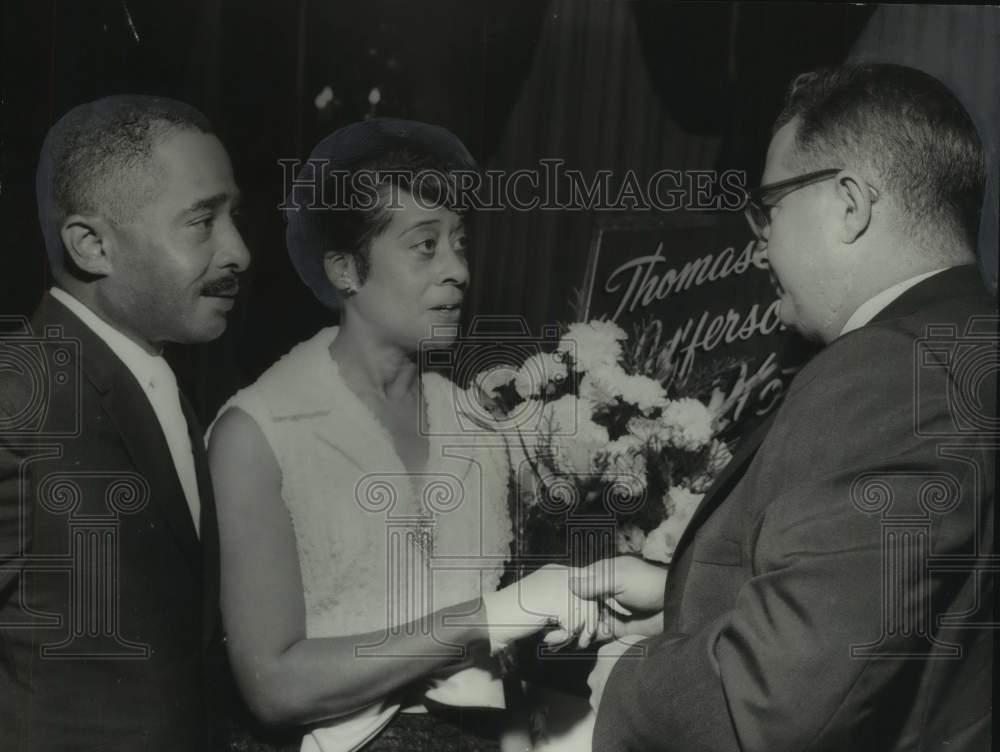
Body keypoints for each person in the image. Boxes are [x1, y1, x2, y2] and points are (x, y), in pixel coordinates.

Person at [575, 63, 996, 751]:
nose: (761, 241)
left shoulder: (892, 372)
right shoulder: (965, 347)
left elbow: (775, 703)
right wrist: (680, 595)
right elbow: (868, 605)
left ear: (851, 204)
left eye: (770, 207)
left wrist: (629, 677)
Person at [207, 119, 596, 752]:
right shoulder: (258, 432)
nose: (458, 271)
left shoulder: (478, 423)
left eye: (460, 243)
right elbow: (272, 686)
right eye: (425, 245)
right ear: (344, 270)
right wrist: (483, 621)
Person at [0, 96, 250, 750]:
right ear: (92, 245)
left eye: (234, 216)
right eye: (202, 221)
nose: (240, 251)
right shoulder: (18, 400)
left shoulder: (153, 374)